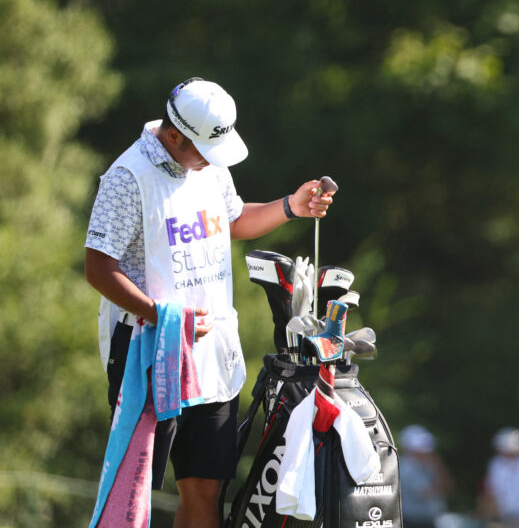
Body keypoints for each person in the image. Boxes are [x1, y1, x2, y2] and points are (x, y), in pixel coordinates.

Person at [84, 77, 335, 528]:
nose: (210, 160)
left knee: (206, 489)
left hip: (211, 354)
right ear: (174, 136)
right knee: (134, 489)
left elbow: (232, 219)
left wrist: (291, 206)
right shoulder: (127, 177)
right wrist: (162, 315)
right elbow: (99, 268)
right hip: (148, 350)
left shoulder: (209, 162)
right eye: (203, 151)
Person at [398, 425, 453, 528]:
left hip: (431, 520)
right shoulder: (406, 467)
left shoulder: (428, 465)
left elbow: (449, 487)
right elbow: (426, 493)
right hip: (413, 521)